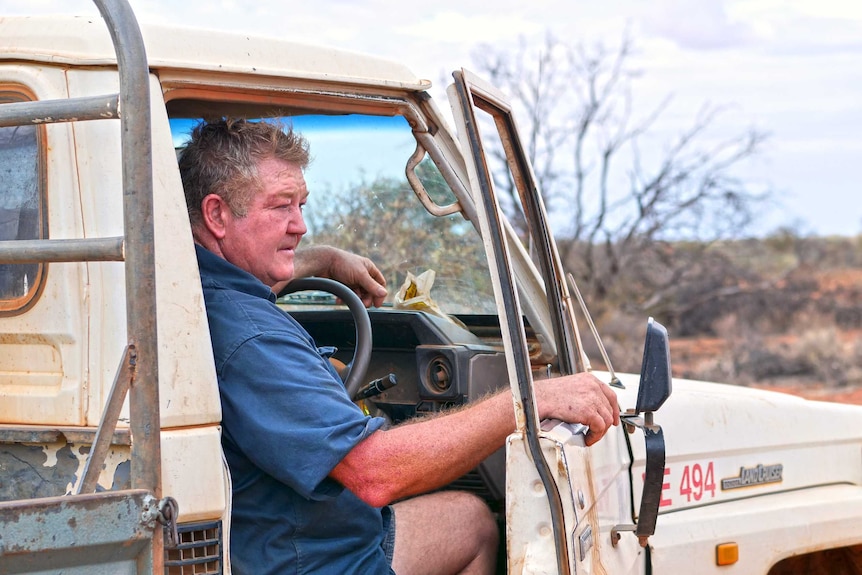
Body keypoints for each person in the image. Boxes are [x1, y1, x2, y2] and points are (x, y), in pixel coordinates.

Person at [180, 118, 620, 575]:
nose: (300, 225)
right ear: (216, 215)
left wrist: (325, 260)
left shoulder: (189, 286)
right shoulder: (255, 339)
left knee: (471, 522)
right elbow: (373, 473)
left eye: (302, 204)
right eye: (280, 207)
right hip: (316, 559)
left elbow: (244, 268)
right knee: (474, 519)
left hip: (299, 535)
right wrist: (529, 401)